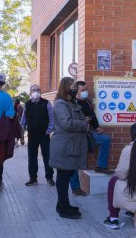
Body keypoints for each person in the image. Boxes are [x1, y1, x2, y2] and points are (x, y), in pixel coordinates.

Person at [49, 77, 89, 219]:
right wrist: (84, 124)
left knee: (65, 177)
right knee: (63, 177)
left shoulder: (70, 102)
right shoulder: (60, 104)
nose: (74, 89)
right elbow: (67, 124)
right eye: (72, 86)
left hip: (70, 146)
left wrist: (83, 121)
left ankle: (62, 204)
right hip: (64, 147)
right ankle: (64, 208)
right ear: (65, 87)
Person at [75, 81, 113, 174]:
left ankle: (101, 166)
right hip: (78, 133)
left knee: (105, 139)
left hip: (90, 132)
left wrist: (97, 127)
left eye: (86, 89)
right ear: (76, 91)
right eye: (82, 90)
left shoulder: (87, 101)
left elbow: (93, 115)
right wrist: (82, 121)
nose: (85, 91)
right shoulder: (73, 103)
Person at [21, 85, 55, 186]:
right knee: (32, 157)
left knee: (47, 157)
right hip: (31, 136)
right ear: (30, 92)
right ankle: (33, 178)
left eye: (38, 90)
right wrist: (22, 131)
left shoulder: (46, 103)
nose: (36, 92)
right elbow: (23, 120)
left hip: (44, 135)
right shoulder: (27, 104)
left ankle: (49, 177)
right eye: (34, 90)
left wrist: (48, 131)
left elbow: (52, 118)